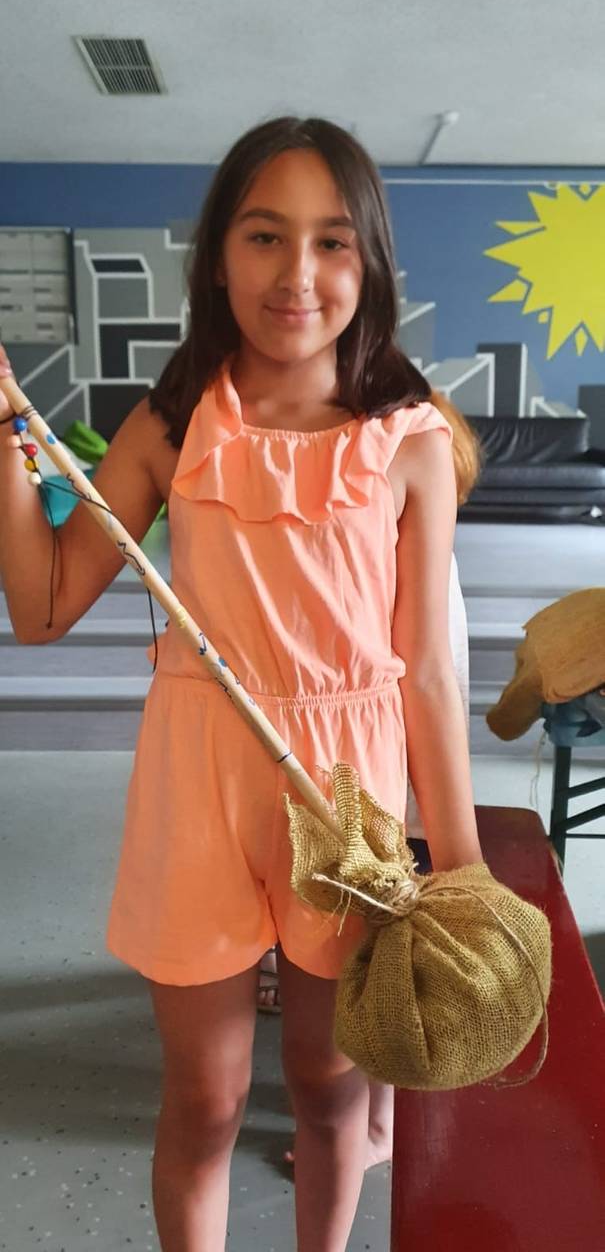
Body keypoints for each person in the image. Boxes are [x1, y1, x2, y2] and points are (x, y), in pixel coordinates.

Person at [0, 115, 485, 1252]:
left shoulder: (409, 441)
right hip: (198, 784)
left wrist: (460, 866)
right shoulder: (174, 422)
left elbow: (425, 667)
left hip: (348, 800)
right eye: (265, 235)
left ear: (369, 262)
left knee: (328, 1088)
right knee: (208, 1099)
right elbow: (43, 605)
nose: (296, 273)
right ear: (218, 255)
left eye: (331, 241)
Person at [257, 393, 481, 1171]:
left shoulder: (418, 559)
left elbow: (432, 678)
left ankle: (379, 1125)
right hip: (354, 768)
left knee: (382, 951)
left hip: (389, 775)